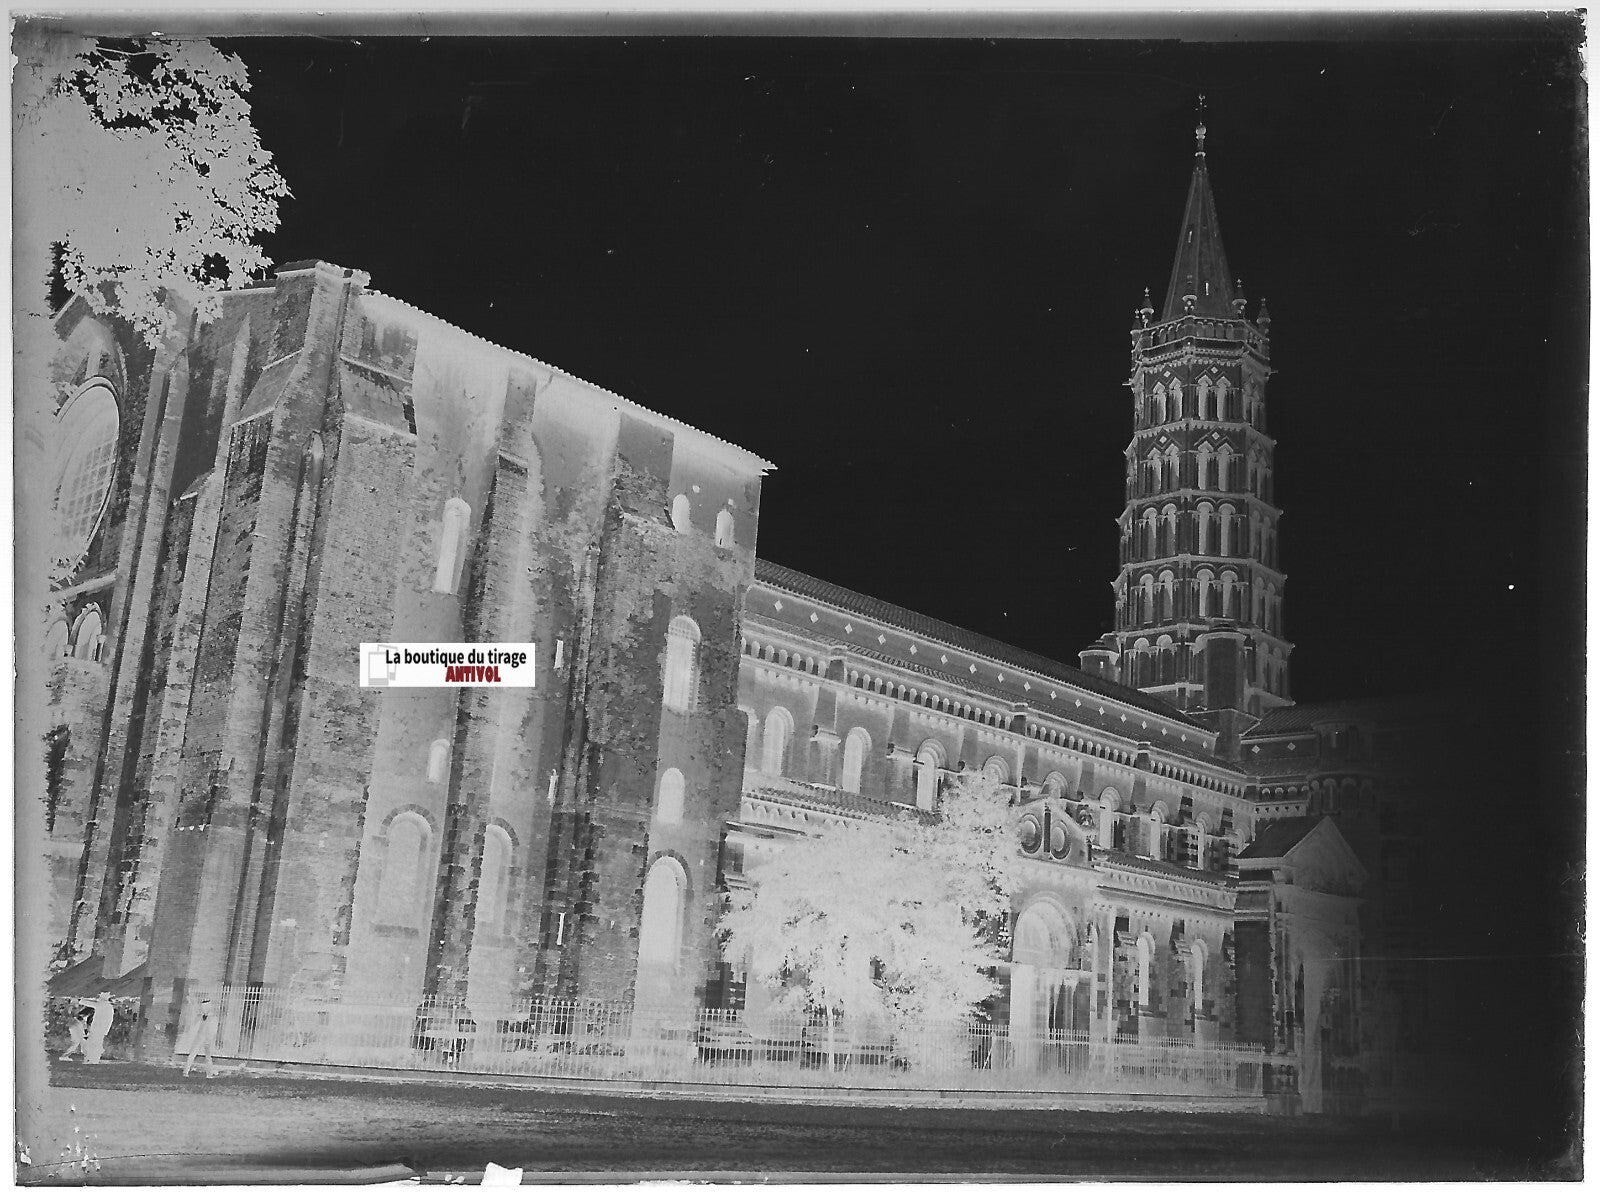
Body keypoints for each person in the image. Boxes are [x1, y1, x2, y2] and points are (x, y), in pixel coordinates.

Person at [180, 994, 219, 1078]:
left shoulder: (213, 1018)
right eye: (202, 1007)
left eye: (205, 1007)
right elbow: (194, 1023)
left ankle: (209, 1074)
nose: (203, 1009)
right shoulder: (200, 1016)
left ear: (209, 1007)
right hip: (199, 1037)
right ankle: (185, 1072)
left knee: (208, 1057)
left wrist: (209, 1039)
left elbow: (213, 1030)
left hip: (207, 1039)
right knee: (192, 1054)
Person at [82, 991, 115, 1064]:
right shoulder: (109, 1007)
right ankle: (94, 1059)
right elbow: (110, 1019)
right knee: (97, 1043)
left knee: (93, 1043)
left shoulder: (101, 1004)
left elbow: (88, 1003)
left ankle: (91, 1059)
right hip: (102, 1029)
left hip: (97, 1027)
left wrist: (81, 1000)